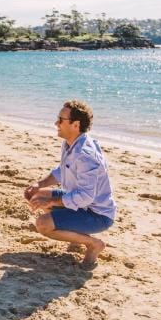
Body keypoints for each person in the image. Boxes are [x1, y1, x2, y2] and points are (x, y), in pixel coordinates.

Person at [24, 100, 116, 268]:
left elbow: (86, 196)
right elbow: (61, 171)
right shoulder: (70, 143)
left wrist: (52, 202)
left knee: (43, 224)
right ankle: (75, 234)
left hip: (97, 214)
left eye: (61, 120)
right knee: (35, 195)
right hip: (80, 204)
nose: (56, 123)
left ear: (76, 124)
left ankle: (93, 244)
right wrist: (39, 184)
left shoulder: (85, 155)